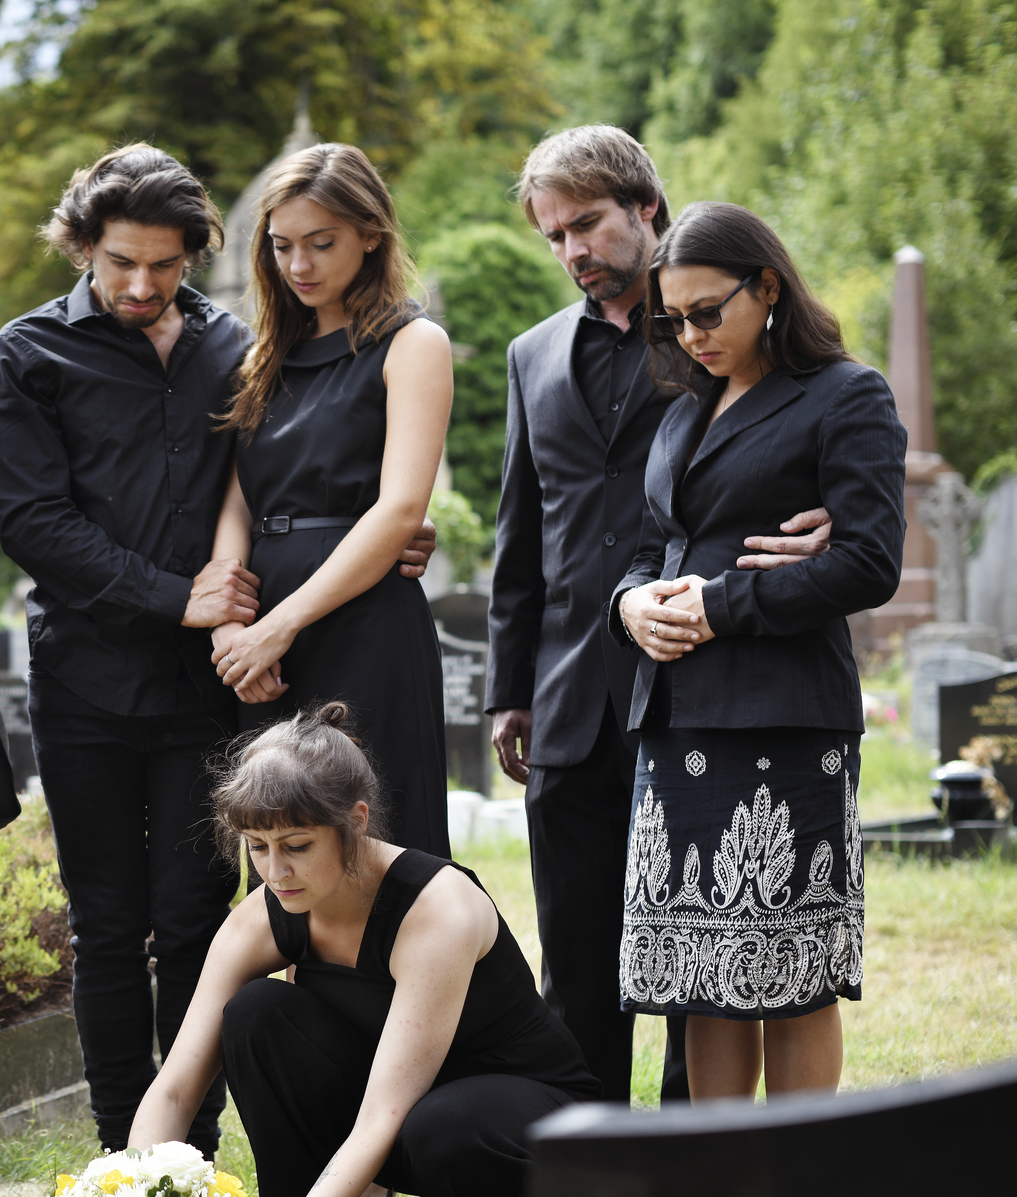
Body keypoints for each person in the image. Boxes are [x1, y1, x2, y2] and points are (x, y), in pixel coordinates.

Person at [0, 143, 443, 1159]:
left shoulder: (236, 344)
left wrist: (352, 544)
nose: (141, 285)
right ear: (80, 248)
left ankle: (189, 1151)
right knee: (106, 927)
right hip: (92, 685)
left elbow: (293, 477)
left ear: (194, 254)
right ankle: (120, 1157)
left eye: (164, 264)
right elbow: (30, 520)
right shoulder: (27, 353)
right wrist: (186, 602)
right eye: (117, 263)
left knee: (203, 921)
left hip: (212, 696)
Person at [490, 125, 834, 1103]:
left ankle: (693, 1183)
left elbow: (812, 426)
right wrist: (508, 690)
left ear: (646, 209)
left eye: (587, 225)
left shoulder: (719, 328)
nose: (572, 252)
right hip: (566, 703)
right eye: (553, 236)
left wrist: (835, 518)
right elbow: (522, 533)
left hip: (698, 690)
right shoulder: (529, 355)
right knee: (577, 975)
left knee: (698, 973)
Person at [127, 704, 599, 1197]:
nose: (276, 871)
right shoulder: (264, 915)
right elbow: (175, 1087)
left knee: (444, 1124)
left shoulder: (437, 909)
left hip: (520, 1133)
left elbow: (384, 1116)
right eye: (257, 846)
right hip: (408, 1121)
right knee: (256, 1016)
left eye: (297, 845)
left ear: (354, 821)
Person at [612, 201, 905, 1099]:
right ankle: (720, 1193)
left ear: (767, 286)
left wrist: (720, 605)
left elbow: (868, 562)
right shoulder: (683, 410)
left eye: (709, 312)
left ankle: (800, 1196)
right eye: (675, 318)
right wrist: (632, 607)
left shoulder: (846, 395)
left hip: (782, 715)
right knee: (697, 979)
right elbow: (650, 545)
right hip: (675, 717)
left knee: (792, 979)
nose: (691, 335)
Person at [209, 143, 454, 857]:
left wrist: (278, 628)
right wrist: (233, 632)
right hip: (263, 634)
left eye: (322, 243)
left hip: (365, 620)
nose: (300, 265)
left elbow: (401, 510)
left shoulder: (412, 342)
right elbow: (235, 503)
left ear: (370, 234)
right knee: (282, 845)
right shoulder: (261, 358)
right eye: (282, 246)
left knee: (378, 840)